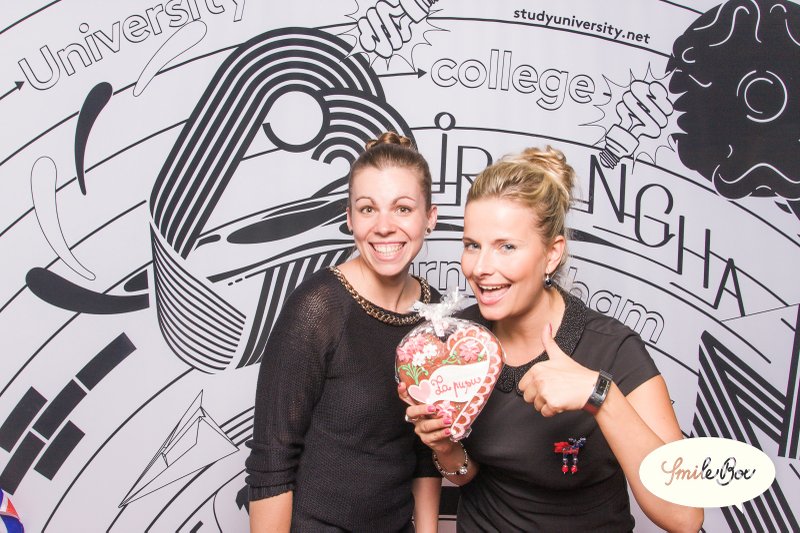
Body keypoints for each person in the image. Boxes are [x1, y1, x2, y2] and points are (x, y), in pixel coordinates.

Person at [403, 146, 704, 532]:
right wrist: (446, 447)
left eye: (507, 247)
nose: (480, 267)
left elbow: (685, 516)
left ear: (552, 254)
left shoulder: (611, 348)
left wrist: (600, 395)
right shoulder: (461, 342)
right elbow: (468, 475)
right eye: (472, 245)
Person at [246, 131, 441, 532]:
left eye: (403, 208)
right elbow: (272, 462)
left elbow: (427, 452)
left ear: (429, 217)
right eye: (368, 209)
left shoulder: (435, 314)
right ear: (350, 218)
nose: (384, 226)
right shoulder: (317, 309)